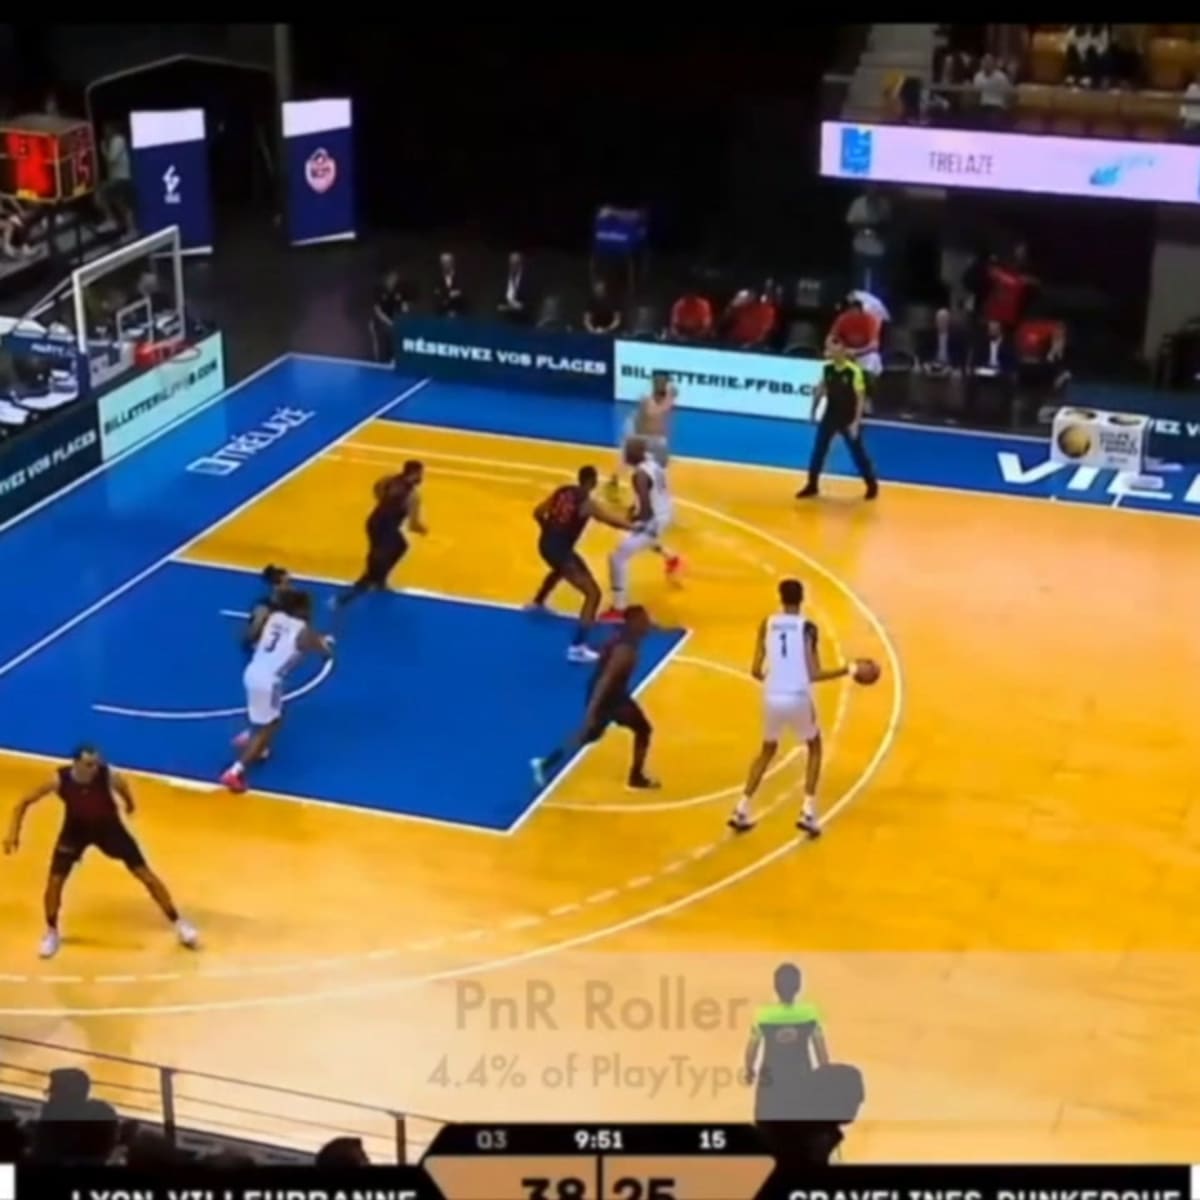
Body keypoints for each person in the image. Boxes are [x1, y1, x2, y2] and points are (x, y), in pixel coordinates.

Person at [3, 745, 198, 960]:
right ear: (76, 763)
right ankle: (51, 932)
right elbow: (23, 803)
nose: (94, 768)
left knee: (146, 876)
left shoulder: (107, 776)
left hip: (109, 829)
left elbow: (123, 786)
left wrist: (129, 804)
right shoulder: (59, 780)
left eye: (96, 763)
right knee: (55, 882)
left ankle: (179, 923)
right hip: (75, 832)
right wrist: (13, 832)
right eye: (89, 764)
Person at [729, 579, 870, 837]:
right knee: (814, 747)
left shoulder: (767, 624)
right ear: (802, 598)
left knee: (767, 751)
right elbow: (813, 673)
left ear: (780, 597)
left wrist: (775, 679)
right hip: (797, 696)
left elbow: (755, 671)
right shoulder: (807, 628)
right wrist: (849, 669)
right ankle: (807, 811)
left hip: (772, 695)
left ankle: (741, 808)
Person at [530, 605, 659, 791]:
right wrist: (592, 711)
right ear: (634, 624)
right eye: (644, 621)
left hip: (614, 695)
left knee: (589, 736)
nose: (648, 624)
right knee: (642, 729)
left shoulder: (626, 637)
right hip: (609, 698)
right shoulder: (624, 652)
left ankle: (545, 763)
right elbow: (604, 682)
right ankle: (636, 777)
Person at [221, 589, 334, 793]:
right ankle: (235, 771)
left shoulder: (276, 618)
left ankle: (252, 739)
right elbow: (316, 645)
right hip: (269, 681)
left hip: (253, 671)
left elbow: (300, 635)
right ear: (302, 609)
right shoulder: (302, 630)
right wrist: (327, 651)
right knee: (271, 725)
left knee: (268, 713)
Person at [527, 466, 633, 663]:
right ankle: (577, 647)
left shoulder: (563, 491)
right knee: (593, 594)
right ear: (592, 482)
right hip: (561, 550)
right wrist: (634, 526)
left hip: (545, 544)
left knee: (560, 569)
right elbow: (611, 521)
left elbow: (537, 512)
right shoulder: (587, 503)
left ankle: (537, 603)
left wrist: (548, 530)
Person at [603, 438, 679, 619]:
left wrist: (629, 519)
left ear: (634, 454)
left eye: (627, 452)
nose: (624, 455)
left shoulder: (640, 476)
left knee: (617, 557)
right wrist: (634, 508)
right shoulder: (652, 463)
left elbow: (646, 511)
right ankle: (672, 559)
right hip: (666, 511)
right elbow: (651, 495)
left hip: (654, 519)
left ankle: (619, 607)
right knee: (640, 538)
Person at [334, 461, 427, 610]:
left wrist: (387, 504)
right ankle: (361, 588)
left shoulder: (388, 480)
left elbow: (376, 490)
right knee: (389, 552)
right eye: (420, 473)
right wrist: (423, 530)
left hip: (374, 522)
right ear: (414, 473)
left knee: (393, 548)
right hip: (387, 528)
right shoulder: (413, 496)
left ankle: (377, 580)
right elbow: (413, 525)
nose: (422, 476)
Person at [796, 338, 879, 501]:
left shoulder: (853, 371)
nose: (829, 352)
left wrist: (856, 422)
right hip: (830, 415)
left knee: (857, 453)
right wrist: (813, 411)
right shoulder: (827, 369)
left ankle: (871, 485)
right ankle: (812, 485)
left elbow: (860, 398)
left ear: (841, 349)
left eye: (833, 348)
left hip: (848, 417)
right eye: (828, 349)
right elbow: (820, 389)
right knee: (819, 451)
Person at [609, 369, 675, 495]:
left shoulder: (664, 401)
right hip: (635, 433)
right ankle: (615, 481)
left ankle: (656, 490)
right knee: (631, 463)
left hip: (649, 437)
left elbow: (662, 420)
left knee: (657, 465)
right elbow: (653, 413)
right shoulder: (646, 401)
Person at [244, 564, 291, 653]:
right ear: (276, 586)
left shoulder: (289, 606)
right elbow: (251, 634)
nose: (290, 587)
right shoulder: (263, 609)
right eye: (287, 583)